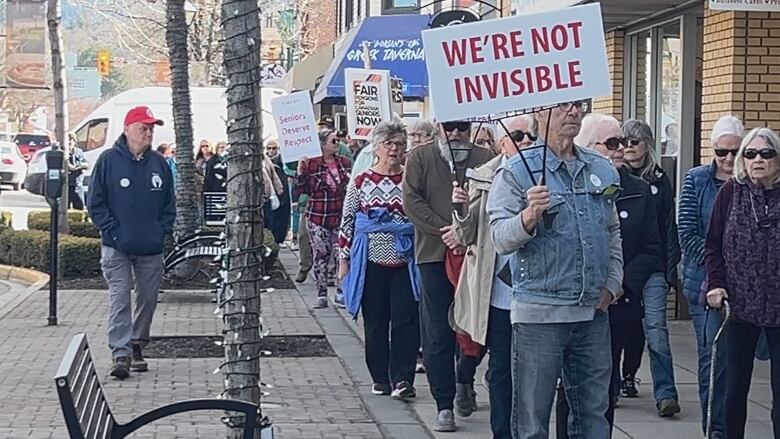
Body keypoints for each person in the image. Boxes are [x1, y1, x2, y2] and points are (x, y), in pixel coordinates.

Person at [487, 101, 622, 439]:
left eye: (578, 105)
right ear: (541, 113)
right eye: (564, 105)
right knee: (532, 421)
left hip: (592, 312)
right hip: (539, 315)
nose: (574, 112)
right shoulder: (517, 171)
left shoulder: (602, 169)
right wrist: (529, 216)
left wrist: (613, 284)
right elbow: (500, 238)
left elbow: (612, 229)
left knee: (594, 415)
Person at [554, 114, 663, 437]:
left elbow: (651, 248)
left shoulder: (639, 190)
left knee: (605, 385)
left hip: (615, 303)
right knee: (570, 384)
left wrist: (616, 286)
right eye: (613, 143)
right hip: (570, 300)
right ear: (588, 148)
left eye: (628, 142)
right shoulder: (566, 187)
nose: (623, 150)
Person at [403, 119, 494, 432]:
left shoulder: (486, 158)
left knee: (476, 324)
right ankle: (444, 402)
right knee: (438, 329)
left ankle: (465, 377)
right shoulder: (420, 157)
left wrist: (464, 231)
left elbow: (492, 203)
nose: (455, 134)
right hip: (433, 253)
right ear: (439, 127)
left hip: (475, 255)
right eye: (449, 127)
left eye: (463, 127)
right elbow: (412, 201)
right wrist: (447, 230)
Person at [448, 114, 534, 439]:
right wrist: (459, 210)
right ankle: (503, 432)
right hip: (498, 289)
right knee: (501, 368)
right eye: (518, 136)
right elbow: (466, 234)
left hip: (535, 289)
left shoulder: (544, 175)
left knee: (531, 371)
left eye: (530, 136)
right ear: (501, 142)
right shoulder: (484, 175)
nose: (526, 142)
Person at [87, 106, 175, 379]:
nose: (148, 133)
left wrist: (161, 230)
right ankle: (120, 353)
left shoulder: (159, 163)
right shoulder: (108, 161)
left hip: (151, 248)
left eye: (151, 128)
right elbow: (96, 203)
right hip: (117, 248)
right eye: (143, 128)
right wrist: (112, 231)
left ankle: (138, 343)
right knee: (120, 298)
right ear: (127, 129)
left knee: (147, 299)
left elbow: (169, 204)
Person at [705, 127, 780, 439]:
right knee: (734, 388)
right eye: (750, 154)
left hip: (778, 303)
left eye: (766, 153)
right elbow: (713, 244)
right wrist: (716, 284)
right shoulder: (731, 193)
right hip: (738, 302)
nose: (757, 160)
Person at [338, 120, 421, 400]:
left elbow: (419, 214)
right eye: (389, 144)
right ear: (377, 147)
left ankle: (403, 379)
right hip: (371, 260)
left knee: (405, 322)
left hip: (405, 260)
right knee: (375, 322)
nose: (394, 149)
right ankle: (380, 377)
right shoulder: (361, 181)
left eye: (399, 144)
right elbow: (348, 220)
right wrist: (343, 258)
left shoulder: (411, 178)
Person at [678, 115, 743, 438]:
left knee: (740, 363)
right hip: (706, 284)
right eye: (722, 152)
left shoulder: (753, 181)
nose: (729, 159)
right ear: (712, 151)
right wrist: (720, 266)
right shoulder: (697, 180)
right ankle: (715, 428)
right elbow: (687, 232)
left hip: (748, 287)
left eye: (736, 151)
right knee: (713, 360)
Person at [619, 118, 682, 417]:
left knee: (656, 328)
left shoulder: (659, 179)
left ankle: (666, 393)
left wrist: (671, 271)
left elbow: (669, 226)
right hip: (620, 265)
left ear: (647, 144)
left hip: (653, 265)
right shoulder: (611, 177)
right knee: (619, 328)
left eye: (635, 141)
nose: (629, 148)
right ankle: (616, 381)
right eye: (624, 142)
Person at [293, 130, 352, 309]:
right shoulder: (311, 164)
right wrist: (301, 172)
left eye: (337, 140)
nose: (337, 143)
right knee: (321, 255)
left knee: (342, 254)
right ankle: (322, 293)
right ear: (322, 144)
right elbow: (300, 190)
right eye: (333, 140)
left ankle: (341, 292)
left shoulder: (345, 162)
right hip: (318, 216)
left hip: (340, 215)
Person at [265, 139, 291, 244]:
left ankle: (280, 239)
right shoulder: (263, 159)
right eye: (269, 148)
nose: (271, 150)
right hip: (269, 191)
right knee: (271, 217)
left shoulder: (283, 160)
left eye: (274, 148)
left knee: (282, 217)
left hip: (282, 191)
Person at [67, 134, 89, 210]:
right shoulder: (62, 152)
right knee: (64, 209)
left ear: (74, 142)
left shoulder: (78, 152)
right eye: (67, 140)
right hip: (66, 186)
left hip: (77, 185)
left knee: (80, 207)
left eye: (71, 140)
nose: (69, 142)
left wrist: (79, 165)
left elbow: (87, 164)